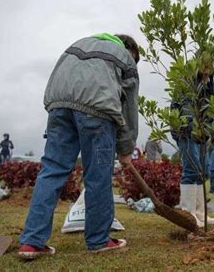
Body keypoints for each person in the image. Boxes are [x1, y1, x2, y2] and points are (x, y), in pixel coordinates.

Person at [17, 33, 140, 259]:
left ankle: (32, 242)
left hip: (59, 106)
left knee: (51, 171)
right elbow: (129, 107)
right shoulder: (124, 55)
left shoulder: (79, 44)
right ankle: (99, 240)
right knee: (98, 175)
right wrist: (126, 148)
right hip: (97, 111)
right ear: (129, 50)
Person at [171, 52, 214, 227]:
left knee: (203, 170)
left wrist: (209, 129)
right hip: (188, 131)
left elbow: (211, 108)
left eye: (210, 65)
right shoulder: (186, 80)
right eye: (205, 65)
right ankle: (188, 213)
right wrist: (181, 130)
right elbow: (177, 106)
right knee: (191, 170)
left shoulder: (208, 83)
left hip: (202, 133)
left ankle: (200, 214)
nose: (208, 69)